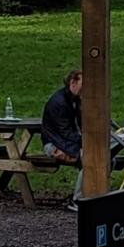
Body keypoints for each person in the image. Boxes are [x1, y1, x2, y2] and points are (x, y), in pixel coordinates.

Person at [41, 69, 85, 208]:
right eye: (84, 84)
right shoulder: (59, 103)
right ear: (73, 82)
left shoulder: (74, 100)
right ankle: (78, 199)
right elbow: (65, 132)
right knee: (89, 159)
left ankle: (96, 193)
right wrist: (86, 142)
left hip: (66, 142)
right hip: (55, 144)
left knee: (107, 157)